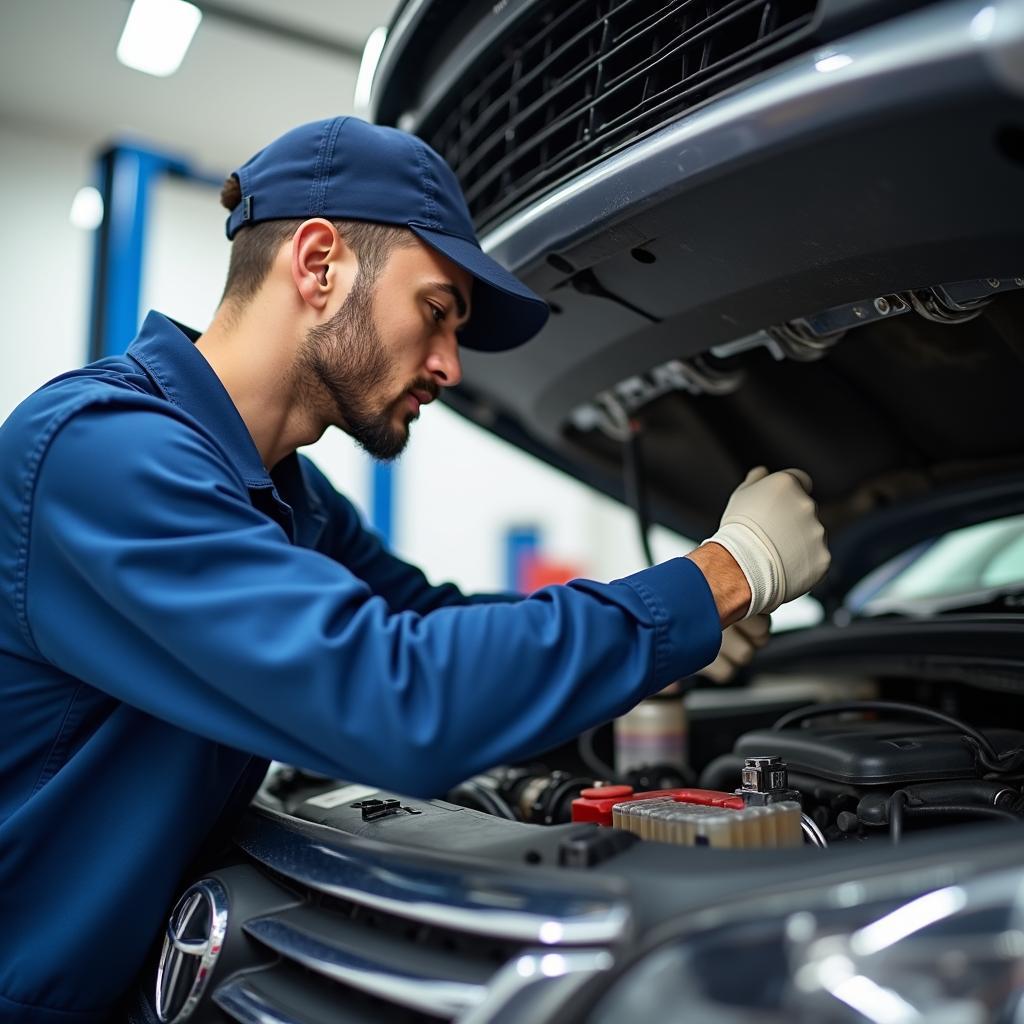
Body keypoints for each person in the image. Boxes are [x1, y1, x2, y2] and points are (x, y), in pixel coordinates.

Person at [0, 116, 829, 1021]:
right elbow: (396, 696)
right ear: (319, 265)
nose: (448, 364)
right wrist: (722, 574)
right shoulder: (99, 456)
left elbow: (433, 626)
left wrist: (676, 641)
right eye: (436, 310)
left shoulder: (289, 498)